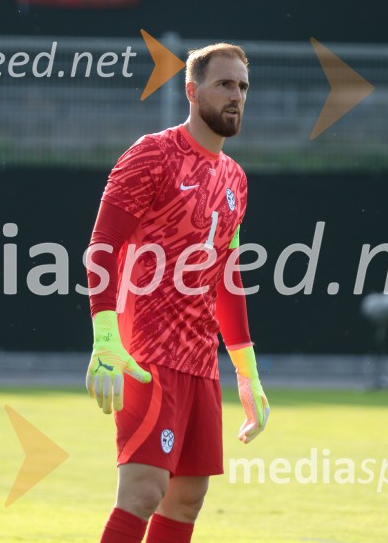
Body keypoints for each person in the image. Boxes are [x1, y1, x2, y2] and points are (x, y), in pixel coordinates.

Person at [84, 43, 270, 543]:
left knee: (186, 502)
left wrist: (246, 373)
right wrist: (105, 339)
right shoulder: (152, 154)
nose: (237, 97)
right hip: (147, 353)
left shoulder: (235, 178)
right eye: (225, 85)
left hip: (199, 362)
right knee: (143, 492)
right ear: (191, 90)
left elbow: (228, 280)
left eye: (244, 87)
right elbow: (101, 248)